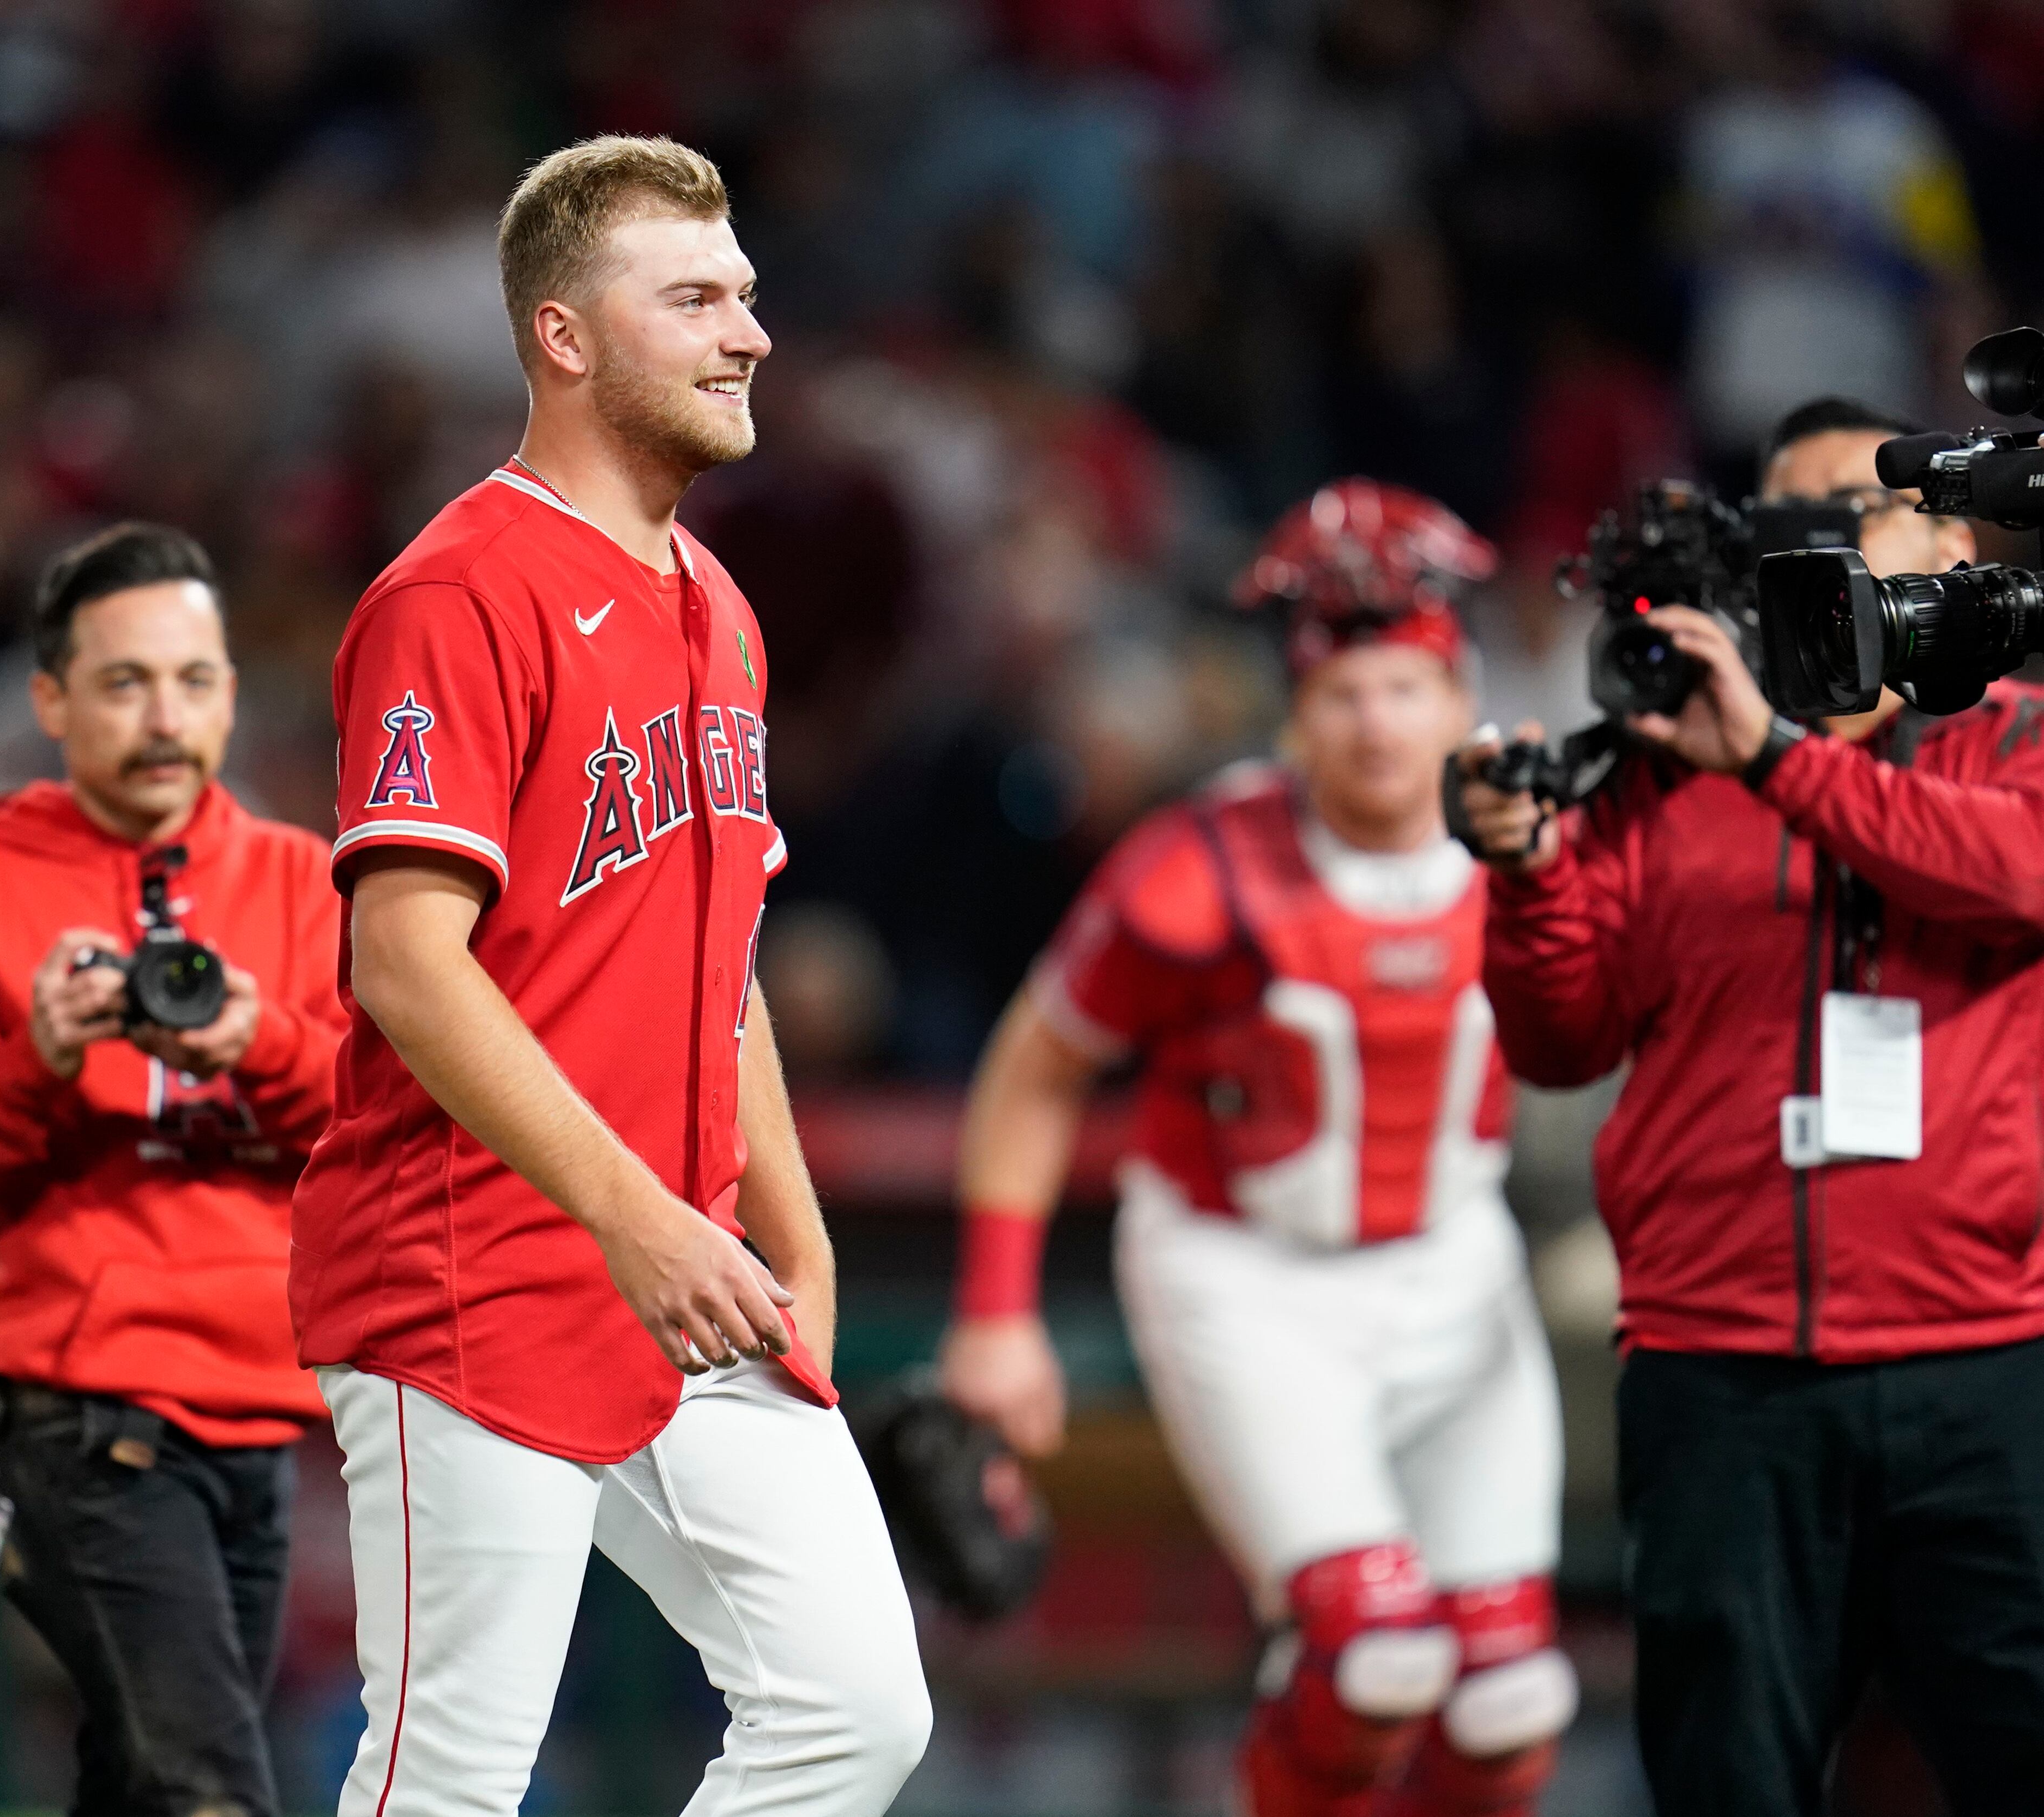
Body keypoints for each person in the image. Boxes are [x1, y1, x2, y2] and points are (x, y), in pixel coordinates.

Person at [291, 135, 930, 1817]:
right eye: (699, 297)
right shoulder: (455, 590)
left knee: (856, 1708)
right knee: (447, 1779)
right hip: (470, 1265)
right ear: (565, 335)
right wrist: (643, 1216)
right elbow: (408, 967)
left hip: (680, 1269)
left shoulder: (720, 602)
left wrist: (785, 1222)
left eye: (749, 295)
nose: (753, 333)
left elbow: (723, 964)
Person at [940, 480, 1577, 1817]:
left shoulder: (1532, 843)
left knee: (1513, 1695)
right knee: (1375, 1657)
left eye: (1403, 689)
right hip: (1247, 1272)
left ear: (1459, 697)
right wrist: (997, 1311)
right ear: (1296, 713)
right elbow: (1034, 1068)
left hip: (1457, 1262)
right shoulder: (1198, 868)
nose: (1375, 724)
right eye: (1343, 694)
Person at [1452, 397, 2044, 1815]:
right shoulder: (1659, 763)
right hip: (1724, 1366)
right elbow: (1560, 1032)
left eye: (1861, 509)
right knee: (1731, 1782)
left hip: (1984, 1355)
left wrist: (1776, 758)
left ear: (1953, 537)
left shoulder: (2016, 731)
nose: (1824, 544)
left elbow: (2020, 876)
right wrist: (1527, 872)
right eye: (1793, 520)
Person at [0, 522, 346, 1817]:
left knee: (141, 1788)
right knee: (213, 1793)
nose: (165, 713)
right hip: (78, 1422)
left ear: (233, 693)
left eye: (194, 678)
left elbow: (394, 1123)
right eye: (124, 681)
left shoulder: (309, 886)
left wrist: (263, 1039)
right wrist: (37, 1058)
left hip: (257, 1417)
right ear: (52, 702)